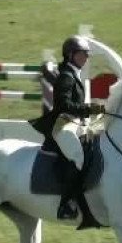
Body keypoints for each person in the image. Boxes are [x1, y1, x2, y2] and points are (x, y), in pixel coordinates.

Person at [30, 36, 105, 220]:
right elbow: (64, 105)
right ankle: (66, 203)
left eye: (87, 55)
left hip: (75, 123)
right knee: (78, 157)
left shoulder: (72, 74)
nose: (86, 58)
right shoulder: (66, 76)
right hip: (62, 124)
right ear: (70, 55)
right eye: (82, 54)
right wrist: (89, 109)